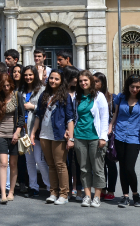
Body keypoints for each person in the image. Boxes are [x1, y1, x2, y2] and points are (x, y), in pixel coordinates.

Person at [29, 69, 75, 205]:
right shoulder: (45, 94)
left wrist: (71, 138)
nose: (53, 81)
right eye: (51, 78)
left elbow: (70, 118)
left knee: (60, 164)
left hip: (58, 134)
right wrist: (33, 133)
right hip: (44, 135)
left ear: (61, 81)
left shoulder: (65, 96)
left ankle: (64, 194)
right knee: (51, 165)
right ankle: (53, 192)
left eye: (56, 79)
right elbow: (38, 115)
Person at [73, 70, 109, 208]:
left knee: (97, 168)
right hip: (79, 136)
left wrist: (103, 137)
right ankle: (87, 196)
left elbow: (105, 117)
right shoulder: (77, 97)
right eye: (81, 81)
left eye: (85, 80)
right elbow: (75, 117)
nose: (83, 83)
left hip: (95, 137)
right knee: (84, 168)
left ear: (91, 81)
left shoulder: (99, 96)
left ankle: (97, 197)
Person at [0, 73, 25, 204]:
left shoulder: (17, 96)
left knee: (13, 164)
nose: (6, 88)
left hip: (14, 133)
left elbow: (21, 115)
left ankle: (11, 191)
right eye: (3, 86)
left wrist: (17, 132)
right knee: (3, 163)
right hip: (0, 133)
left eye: (8, 85)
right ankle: (3, 193)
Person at [109, 74, 140, 208]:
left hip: (134, 137)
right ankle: (125, 196)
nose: (134, 89)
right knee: (122, 167)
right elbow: (115, 114)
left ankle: (135, 194)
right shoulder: (121, 97)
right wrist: (111, 126)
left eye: (137, 87)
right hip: (119, 135)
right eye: (132, 87)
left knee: (129, 167)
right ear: (127, 86)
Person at [20, 65, 49, 198]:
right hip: (24, 130)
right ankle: (33, 187)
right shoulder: (21, 91)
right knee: (29, 160)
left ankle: (49, 186)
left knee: (39, 159)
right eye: (26, 75)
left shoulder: (42, 90)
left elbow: (46, 107)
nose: (28, 77)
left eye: (30, 75)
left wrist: (33, 106)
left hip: (36, 130)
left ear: (35, 76)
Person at [94, 72, 117, 201]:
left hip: (109, 134)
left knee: (110, 163)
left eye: (97, 81)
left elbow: (115, 115)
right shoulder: (91, 96)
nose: (95, 83)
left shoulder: (111, 98)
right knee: (100, 164)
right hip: (95, 134)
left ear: (102, 83)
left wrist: (110, 128)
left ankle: (111, 190)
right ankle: (101, 188)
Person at [63, 65, 82, 200]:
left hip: (78, 131)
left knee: (77, 162)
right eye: (74, 77)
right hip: (62, 131)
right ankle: (68, 189)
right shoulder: (62, 93)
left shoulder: (79, 94)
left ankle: (78, 189)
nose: (77, 80)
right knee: (66, 162)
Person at [11, 64, 28, 195]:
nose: (16, 73)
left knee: (24, 155)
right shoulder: (10, 87)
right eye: (14, 71)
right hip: (12, 125)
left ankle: (24, 182)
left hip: (25, 126)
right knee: (15, 154)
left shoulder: (25, 88)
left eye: (19, 71)